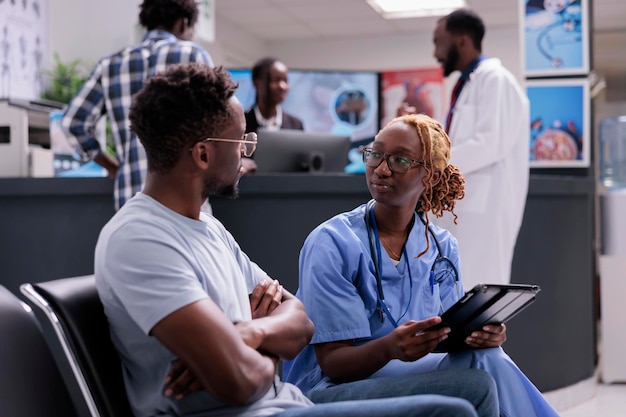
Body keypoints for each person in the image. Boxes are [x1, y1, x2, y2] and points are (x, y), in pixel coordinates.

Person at [94, 63, 499, 417]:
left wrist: (249, 335)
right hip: (252, 410)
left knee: (473, 390)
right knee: (459, 408)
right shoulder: (141, 240)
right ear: (202, 155)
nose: (246, 155)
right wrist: (266, 345)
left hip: (280, 403)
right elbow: (238, 381)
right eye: (241, 143)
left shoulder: (209, 229)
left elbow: (301, 322)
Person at [283, 114, 559, 417]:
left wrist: (479, 337)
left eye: (400, 160)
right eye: (375, 154)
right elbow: (334, 365)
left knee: (487, 357)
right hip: (331, 389)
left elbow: (451, 339)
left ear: (430, 176)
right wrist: (390, 347)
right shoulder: (333, 242)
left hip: (404, 372)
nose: (381, 169)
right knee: (480, 377)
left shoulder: (442, 246)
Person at [62, 0, 214, 211]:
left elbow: (73, 123)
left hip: (131, 200)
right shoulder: (193, 55)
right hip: (186, 199)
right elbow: (220, 120)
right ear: (183, 23)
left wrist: (114, 166)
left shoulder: (110, 64)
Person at [429, 8, 530, 288]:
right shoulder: (468, 85)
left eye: (439, 42)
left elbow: (489, 143)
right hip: (467, 206)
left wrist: (431, 164)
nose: (435, 53)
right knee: (459, 287)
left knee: (480, 288)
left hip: (487, 208)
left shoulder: (495, 79)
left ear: (461, 41)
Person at [242, 57, 304, 175]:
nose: (283, 86)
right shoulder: (242, 123)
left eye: (286, 81)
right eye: (276, 80)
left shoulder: (296, 125)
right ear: (257, 82)